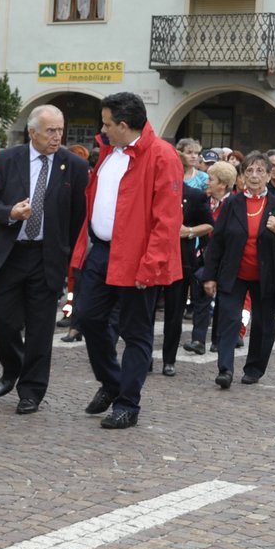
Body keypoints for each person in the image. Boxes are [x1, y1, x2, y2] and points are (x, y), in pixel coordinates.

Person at [70, 91, 183, 430]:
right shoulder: (110, 151)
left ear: (123, 124)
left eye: (106, 124)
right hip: (103, 251)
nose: (101, 130)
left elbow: (166, 219)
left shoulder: (162, 156)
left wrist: (151, 264)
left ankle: (127, 403)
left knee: (136, 333)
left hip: (139, 258)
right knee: (87, 318)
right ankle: (113, 381)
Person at [0, 105, 89, 415]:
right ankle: (12, 366)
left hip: (47, 257)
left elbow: (78, 218)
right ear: (32, 133)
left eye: (60, 130)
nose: (57, 137)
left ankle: (31, 391)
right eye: (50, 131)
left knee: (41, 328)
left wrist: (66, 253)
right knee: (2, 317)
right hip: (13, 253)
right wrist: (10, 213)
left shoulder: (74, 166)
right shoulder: (8, 159)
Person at [201, 151, 275, 388]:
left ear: (268, 175)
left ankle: (254, 368)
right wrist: (210, 275)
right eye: (249, 171)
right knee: (229, 320)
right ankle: (225, 369)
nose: (254, 176)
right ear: (242, 176)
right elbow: (217, 242)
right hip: (234, 274)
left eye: (260, 171)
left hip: (266, 275)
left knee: (263, 325)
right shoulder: (232, 203)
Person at [158, 147, 213, 376]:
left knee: (174, 312)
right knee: (145, 311)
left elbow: (209, 225)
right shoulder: (152, 192)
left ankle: (168, 359)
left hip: (181, 259)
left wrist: (188, 231)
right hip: (151, 258)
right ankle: (143, 357)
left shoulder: (193, 195)